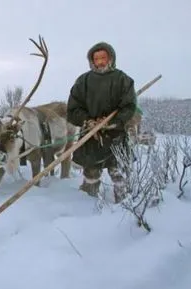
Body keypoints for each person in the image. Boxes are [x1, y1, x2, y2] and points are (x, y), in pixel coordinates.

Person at [66, 42, 137, 203]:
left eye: (103, 57)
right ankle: (88, 206)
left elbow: (129, 107)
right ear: (91, 60)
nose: (100, 62)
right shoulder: (83, 81)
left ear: (110, 58)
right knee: (91, 173)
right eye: (96, 58)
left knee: (119, 173)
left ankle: (124, 207)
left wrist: (112, 122)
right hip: (91, 137)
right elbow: (73, 109)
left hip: (116, 136)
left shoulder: (122, 79)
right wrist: (87, 121)